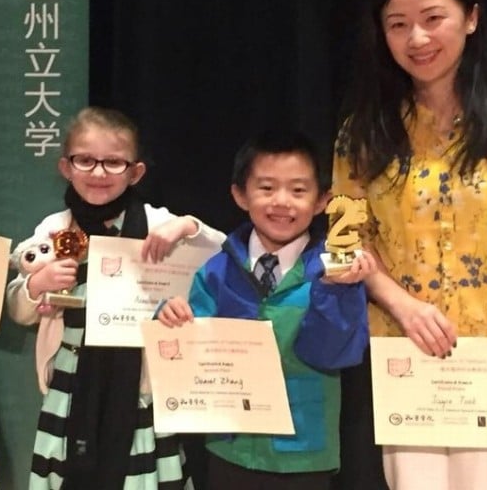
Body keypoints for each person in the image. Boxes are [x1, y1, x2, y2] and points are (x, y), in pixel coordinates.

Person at [333, 0, 487, 490]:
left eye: (433, 18)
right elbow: (344, 243)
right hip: (406, 354)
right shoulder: (361, 133)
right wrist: (401, 303)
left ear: (471, 17)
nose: (417, 39)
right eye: (399, 25)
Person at [6, 106, 225, 490]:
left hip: (139, 386)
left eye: (113, 162)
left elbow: (223, 252)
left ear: (135, 171)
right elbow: (18, 310)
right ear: (66, 167)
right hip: (70, 386)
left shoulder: (157, 224)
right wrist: (37, 284)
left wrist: (188, 225)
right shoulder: (54, 228)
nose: (99, 173)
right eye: (86, 161)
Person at [157, 131, 376, 490]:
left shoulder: (339, 273)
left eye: (298, 190)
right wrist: (169, 319)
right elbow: (189, 355)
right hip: (231, 447)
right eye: (267, 188)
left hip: (304, 452)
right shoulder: (217, 269)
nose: (282, 202)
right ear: (240, 195)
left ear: (323, 200)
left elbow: (335, 353)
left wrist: (332, 292)